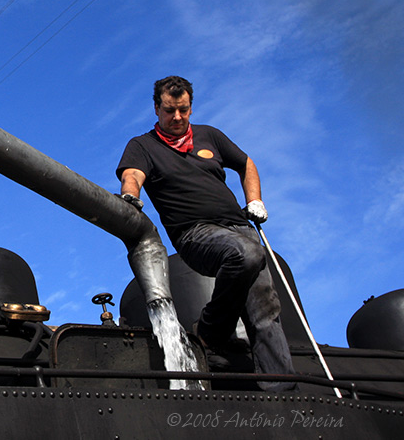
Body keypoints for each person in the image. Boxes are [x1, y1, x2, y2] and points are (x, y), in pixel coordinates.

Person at [115, 75, 296, 392]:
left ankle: (282, 387)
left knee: (265, 308)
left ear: (190, 107)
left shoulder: (210, 136)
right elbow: (132, 174)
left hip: (239, 226)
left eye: (183, 110)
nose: (177, 117)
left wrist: (254, 200)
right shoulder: (143, 145)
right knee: (247, 254)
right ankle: (210, 331)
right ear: (156, 108)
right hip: (194, 233)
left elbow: (246, 163)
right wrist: (130, 196)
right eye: (170, 110)